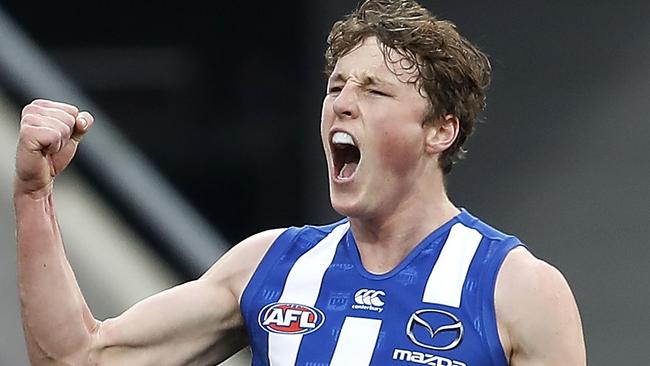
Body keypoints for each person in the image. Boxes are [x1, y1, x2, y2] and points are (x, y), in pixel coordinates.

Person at [14, 0, 586, 365]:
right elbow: (77, 359)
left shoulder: (519, 291)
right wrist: (34, 195)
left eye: (374, 91)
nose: (342, 105)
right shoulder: (270, 266)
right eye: (336, 87)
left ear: (440, 130)